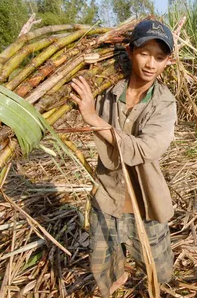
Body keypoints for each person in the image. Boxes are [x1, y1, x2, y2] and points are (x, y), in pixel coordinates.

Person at [70, 20, 177, 297]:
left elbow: (144, 150)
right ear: (130, 51)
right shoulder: (106, 91)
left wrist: (94, 120)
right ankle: (117, 283)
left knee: (159, 273)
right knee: (106, 272)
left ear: (168, 62)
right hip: (107, 198)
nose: (151, 64)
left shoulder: (164, 103)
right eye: (144, 53)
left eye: (159, 57)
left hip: (146, 203)